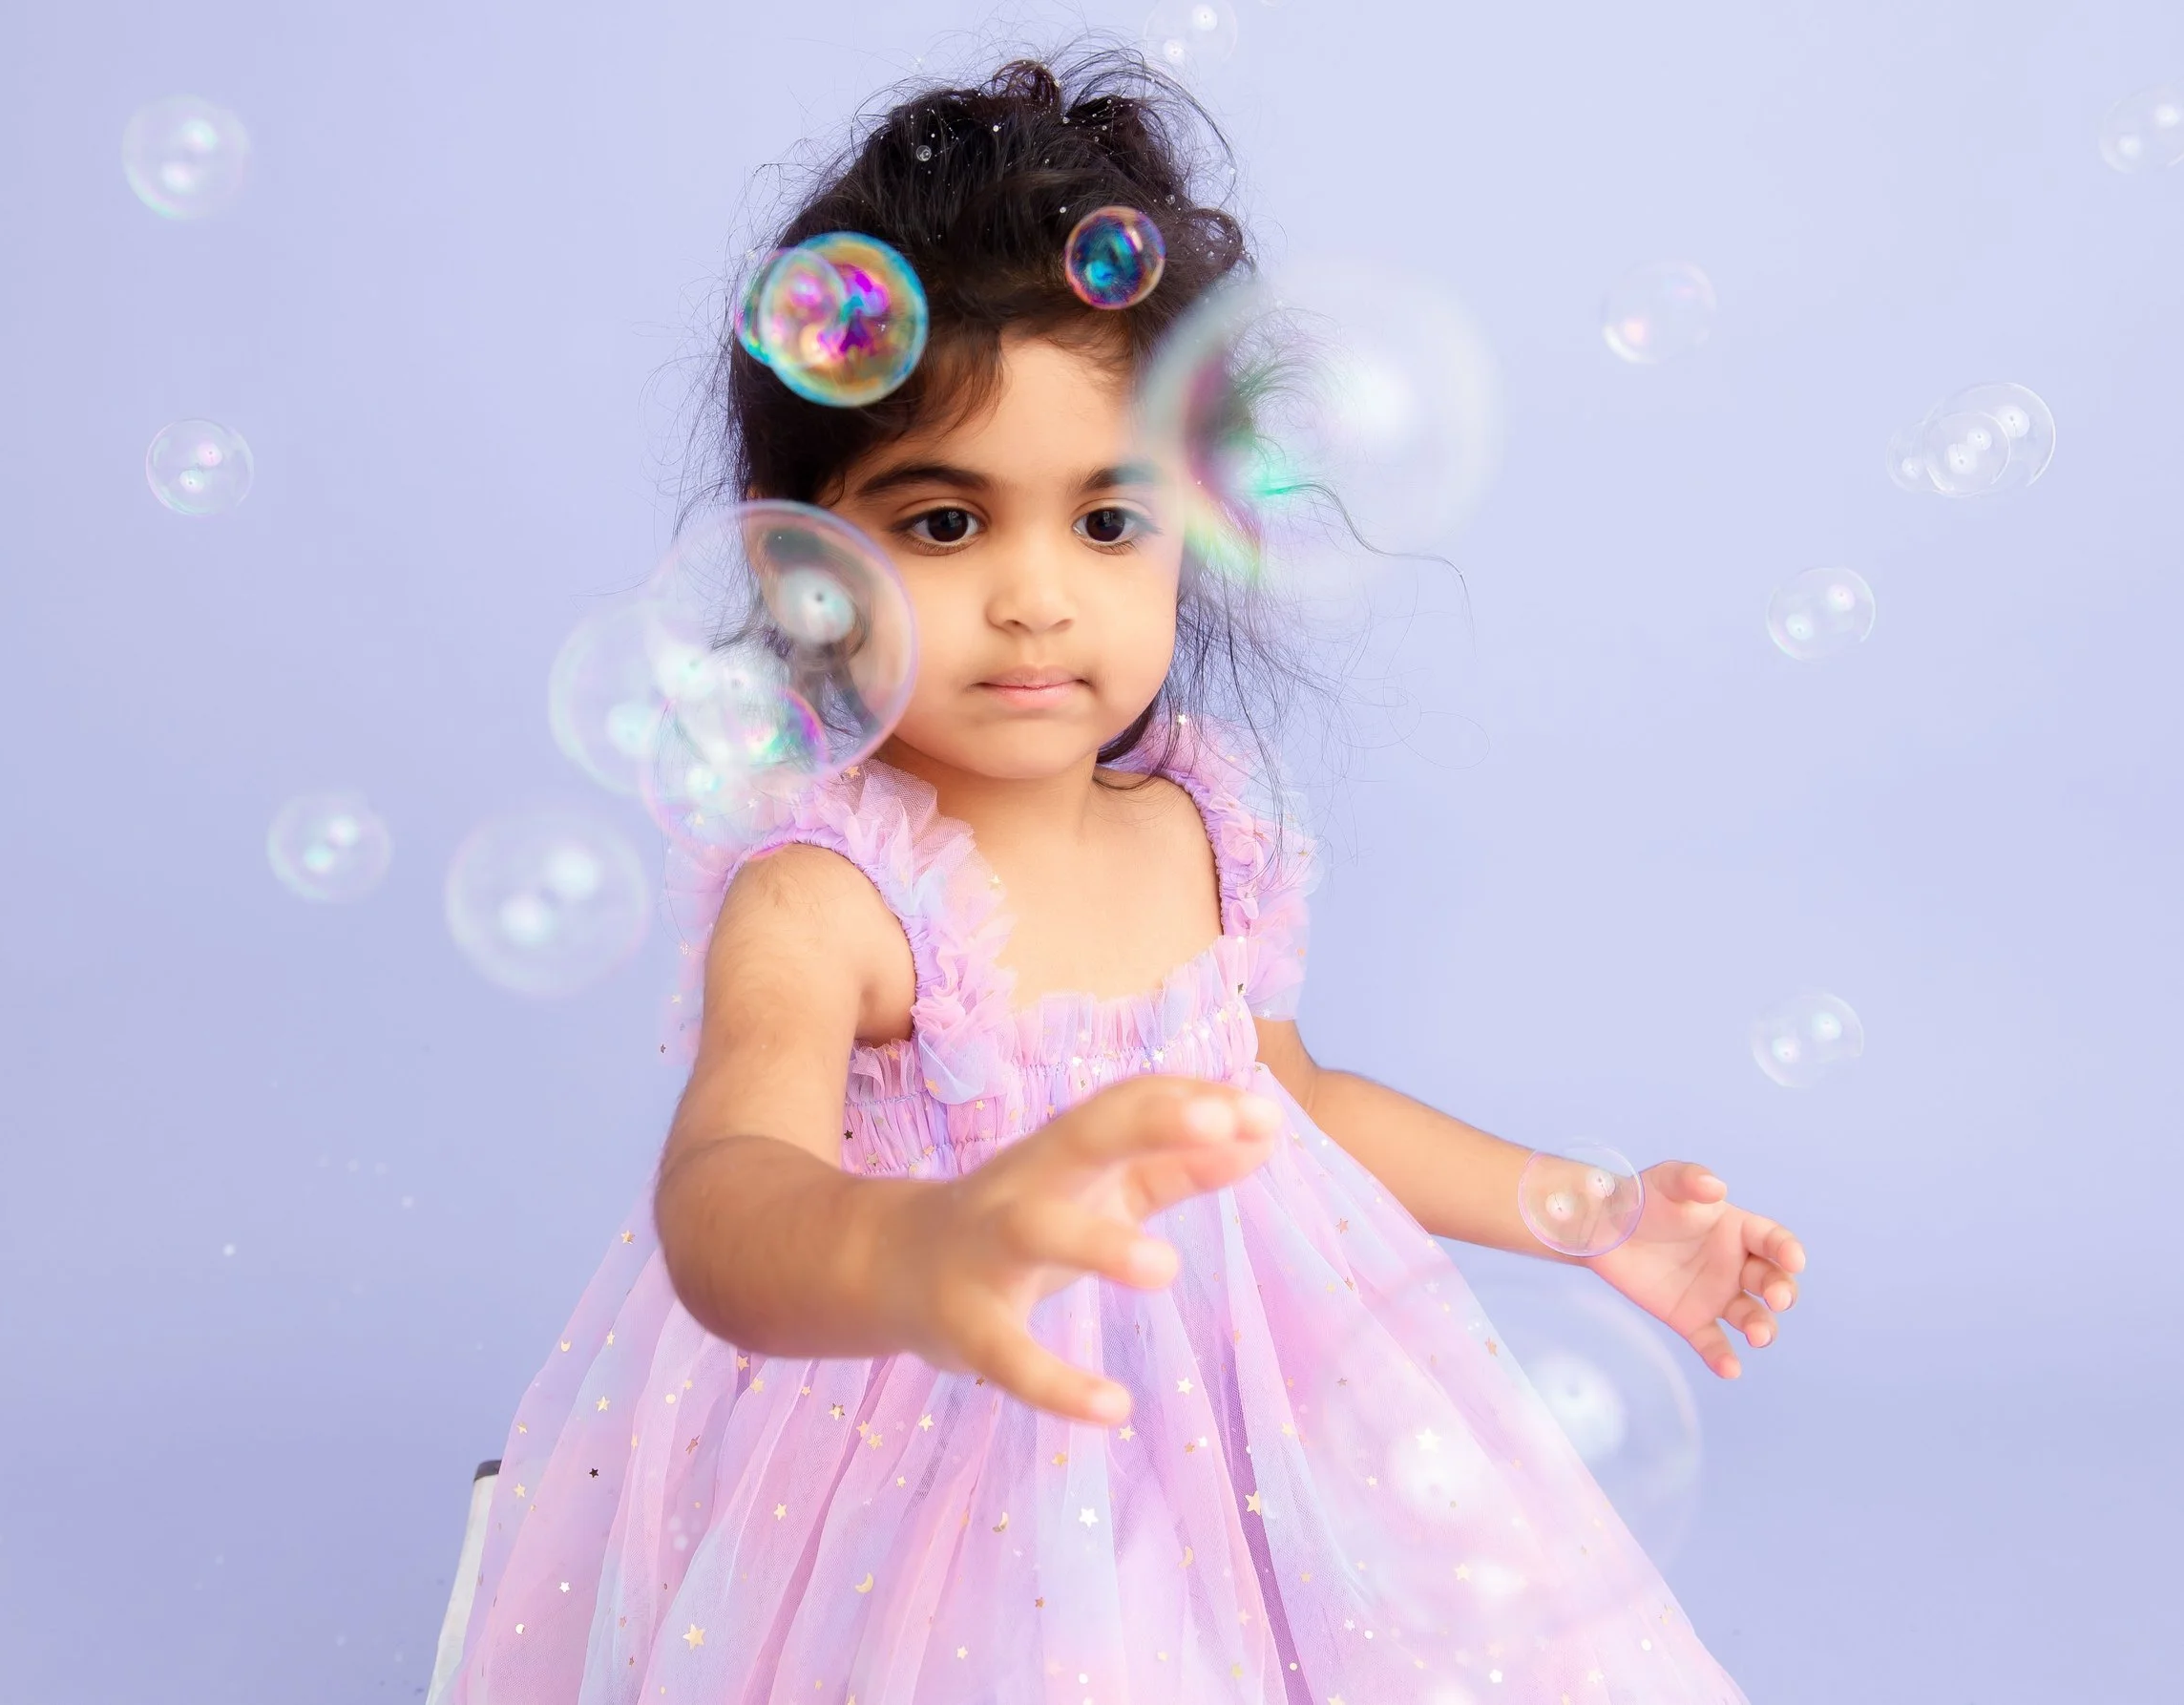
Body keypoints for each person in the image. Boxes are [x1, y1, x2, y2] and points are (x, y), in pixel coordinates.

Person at [448, 48, 1804, 1705]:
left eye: (1105, 524)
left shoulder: (1195, 828)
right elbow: (727, 1191)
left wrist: (1580, 1209)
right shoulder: (830, 896)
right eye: (947, 525)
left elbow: (1285, 1107)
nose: (1035, 598)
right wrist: (924, 1250)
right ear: (808, 562)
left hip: (1246, 1427)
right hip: (935, 1454)